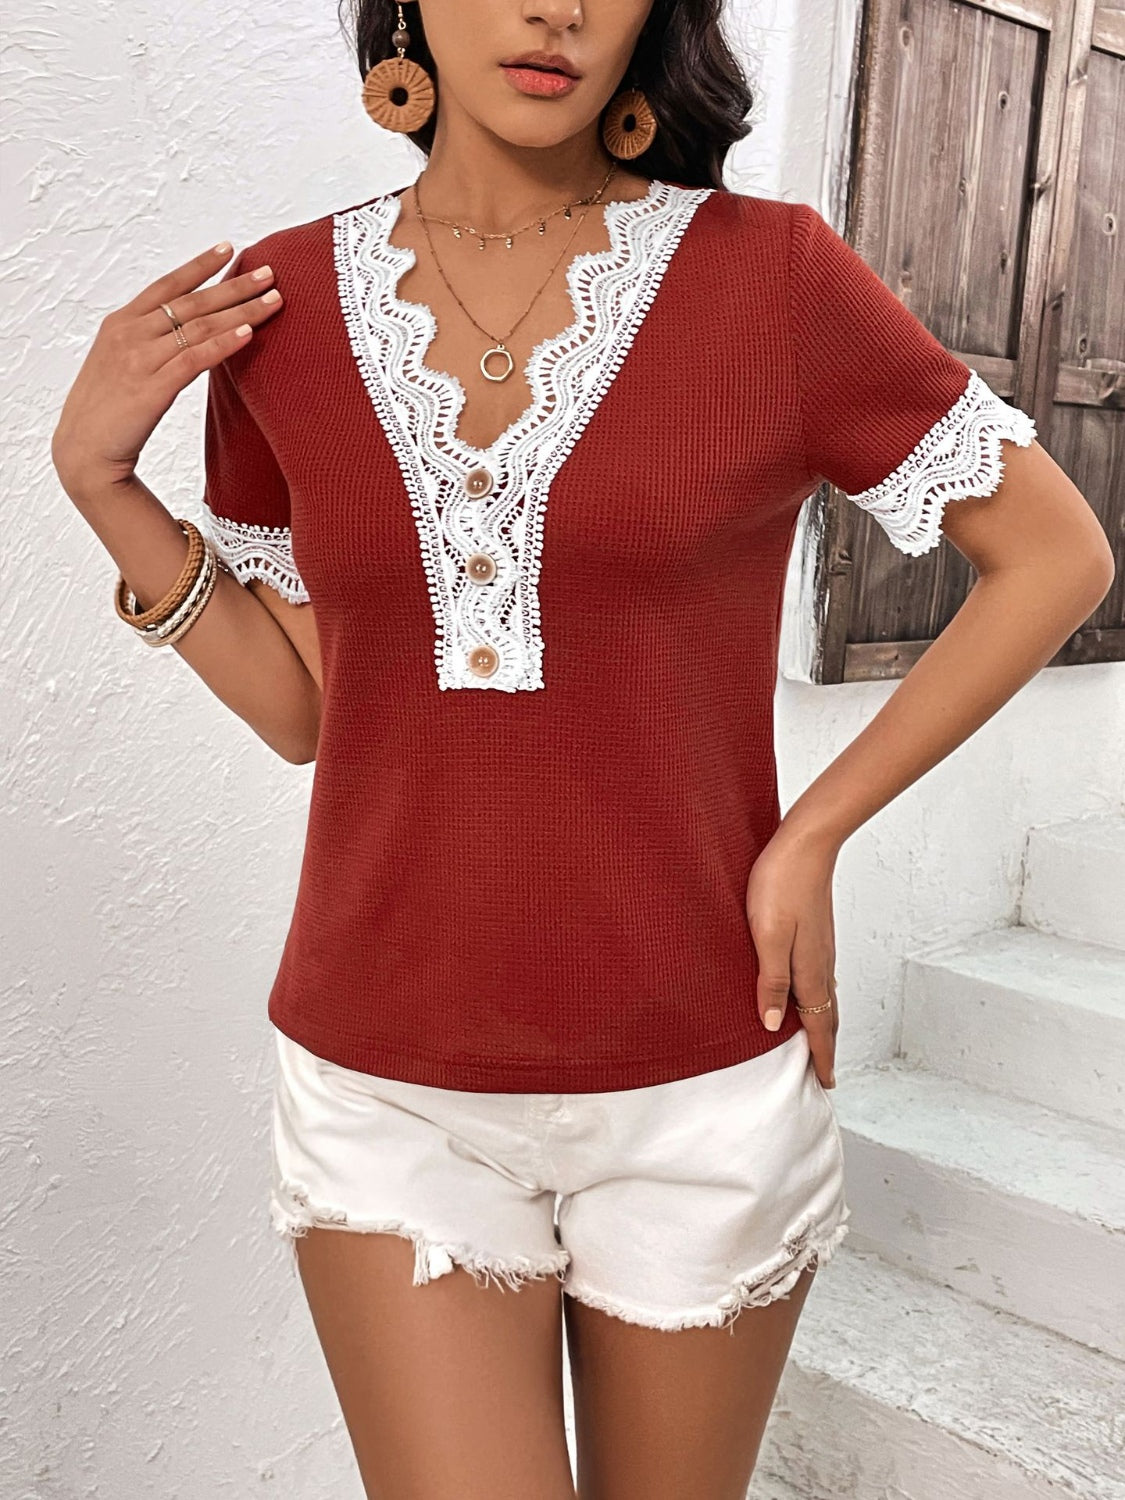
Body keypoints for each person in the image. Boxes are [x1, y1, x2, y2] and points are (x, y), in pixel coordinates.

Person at [51, 0, 1114, 1494]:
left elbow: (1055, 555)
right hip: (386, 1074)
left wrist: (810, 835)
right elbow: (307, 709)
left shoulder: (772, 277)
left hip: (699, 1071)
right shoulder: (278, 311)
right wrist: (102, 482)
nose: (555, 7)